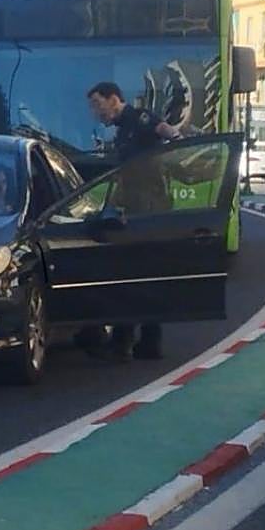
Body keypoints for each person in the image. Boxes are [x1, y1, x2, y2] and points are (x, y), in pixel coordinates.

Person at [83, 81, 178, 363]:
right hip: (133, 209)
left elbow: (166, 131)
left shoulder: (140, 119)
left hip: (147, 211)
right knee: (134, 274)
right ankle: (135, 341)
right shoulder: (123, 130)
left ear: (114, 99)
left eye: (98, 105)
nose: (96, 113)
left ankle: (135, 341)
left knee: (138, 274)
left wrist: (175, 136)